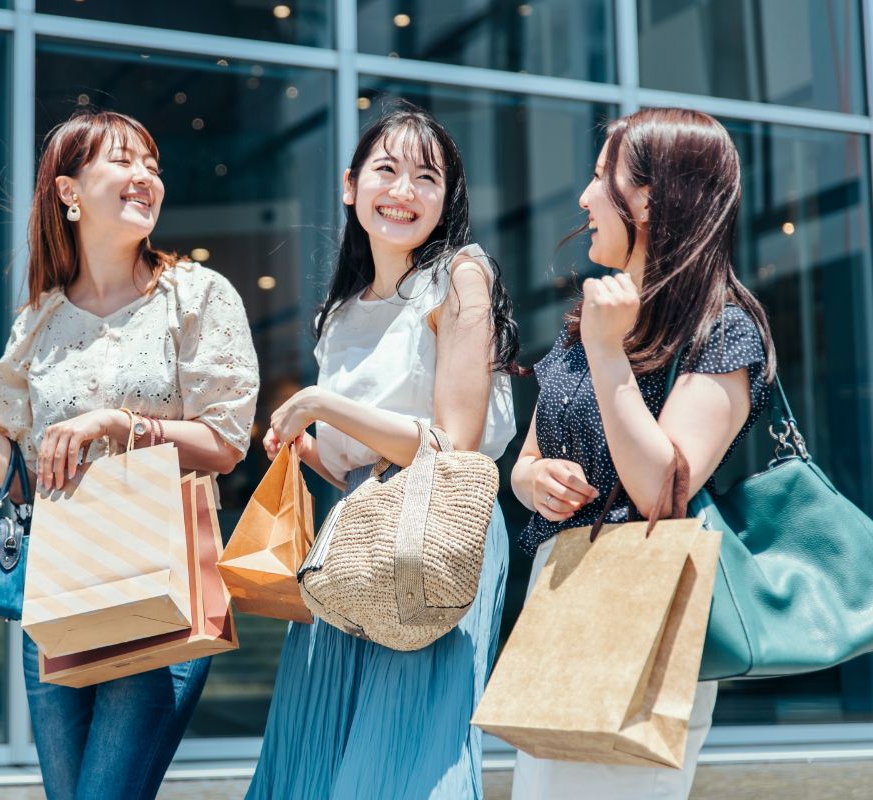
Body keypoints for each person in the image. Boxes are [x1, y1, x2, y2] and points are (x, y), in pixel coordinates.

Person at [0, 108, 259, 800]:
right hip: (60, 594)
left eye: (152, 165)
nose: (144, 177)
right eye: (123, 161)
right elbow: (19, 473)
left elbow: (224, 443)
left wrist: (114, 423)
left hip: (164, 590)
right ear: (68, 192)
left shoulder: (195, 297)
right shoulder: (40, 319)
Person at [247, 101, 519, 799]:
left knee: (402, 758)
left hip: (434, 529)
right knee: (318, 751)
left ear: (447, 198)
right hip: (354, 531)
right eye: (386, 170)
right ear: (350, 185)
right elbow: (352, 463)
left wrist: (320, 404)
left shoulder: (460, 275)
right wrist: (306, 447)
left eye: (425, 178)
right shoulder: (337, 312)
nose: (403, 192)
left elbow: (452, 444)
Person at [509, 108, 776, 799]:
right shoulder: (589, 321)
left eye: (602, 177)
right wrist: (536, 479)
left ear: (650, 199)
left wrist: (607, 353)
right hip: (560, 597)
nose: (584, 198)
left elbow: (664, 490)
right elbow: (526, 457)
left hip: (641, 611)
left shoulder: (721, 331)